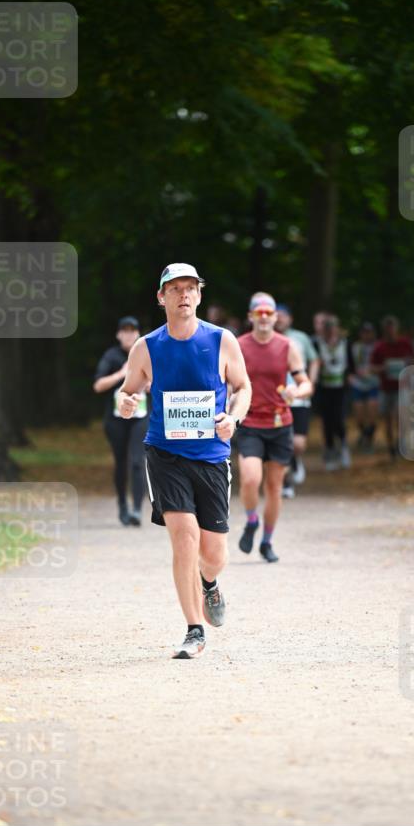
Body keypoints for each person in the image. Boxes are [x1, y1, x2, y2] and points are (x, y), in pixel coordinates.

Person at [116, 263, 252, 659]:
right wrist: (126, 403)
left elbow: (242, 387)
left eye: (190, 288)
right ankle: (194, 630)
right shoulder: (146, 346)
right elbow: (128, 395)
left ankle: (208, 583)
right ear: (161, 297)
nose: (183, 295)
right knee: (184, 538)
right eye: (174, 289)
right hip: (165, 454)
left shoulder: (222, 340)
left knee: (214, 555)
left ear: (199, 294)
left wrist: (234, 417)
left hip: (211, 457)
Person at [236, 292, 312, 561]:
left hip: (280, 423)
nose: (265, 317)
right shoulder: (239, 345)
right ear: (251, 317)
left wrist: (298, 393)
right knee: (249, 479)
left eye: (269, 313)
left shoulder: (287, 346)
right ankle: (251, 520)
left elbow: (304, 382)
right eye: (260, 313)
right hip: (250, 421)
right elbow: (225, 379)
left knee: (273, 488)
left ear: (276, 317)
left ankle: (267, 542)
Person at [93, 316, 149, 526]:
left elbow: (162, 381)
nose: (129, 334)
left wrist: (151, 383)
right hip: (115, 420)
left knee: (137, 461)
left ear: (138, 334)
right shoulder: (112, 356)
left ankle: (136, 509)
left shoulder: (146, 353)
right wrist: (122, 374)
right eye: (124, 331)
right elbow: (98, 386)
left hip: (140, 418)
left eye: (133, 330)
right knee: (121, 463)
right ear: (118, 335)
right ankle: (123, 505)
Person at [275, 303, 320, 494]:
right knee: (281, 442)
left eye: (283, 315)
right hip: (276, 398)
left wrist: (311, 381)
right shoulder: (266, 339)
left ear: (290, 318)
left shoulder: (301, 338)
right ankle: (286, 483)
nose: (280, 318)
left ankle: (295, 460)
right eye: (277, 315)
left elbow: (315, 359)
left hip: (299, 397)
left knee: (298, 443)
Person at [371, 315, 414, 458]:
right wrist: (384, 368)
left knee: (400, 416)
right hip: (386, 388)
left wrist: (407, 363)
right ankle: (391, 447)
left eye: (392, 329)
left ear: (396, 329)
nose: (390, 332)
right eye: (387, 329)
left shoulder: (405, 344)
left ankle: (401, 442)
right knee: (388, 419)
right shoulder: (379, 347)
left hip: (402, 388)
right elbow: (372, 367)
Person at [313, 315, 352, 471]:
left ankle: (343, 445)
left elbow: (351, 364)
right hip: (324, 388)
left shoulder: (345, 343)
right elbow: (315, 362)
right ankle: (329, 449)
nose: (330, 332)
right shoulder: (318, 344)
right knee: (327, 420)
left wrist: (351, 376)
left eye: (332, 328)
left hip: (341, 388)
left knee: (339, 418)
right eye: (327, 329)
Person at [349, 322, 380, 450]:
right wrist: (350, 375)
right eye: (364, 332)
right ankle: (363, 433)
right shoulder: (355, 347)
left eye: (369, 332)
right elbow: (349, 363)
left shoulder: (378, 346)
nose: (366, 335)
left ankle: (369, 436)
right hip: (358, 383)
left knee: (372, 410)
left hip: (373, 382)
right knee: (359, 412)